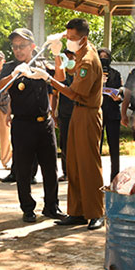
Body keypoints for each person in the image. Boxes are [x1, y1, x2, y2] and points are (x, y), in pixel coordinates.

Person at [43, 18, 105, 230]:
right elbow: (71, 70)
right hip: (78, 115)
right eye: (67, 37)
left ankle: (97, 212)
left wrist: (49, 79)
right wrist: (57, 50)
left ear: (83, 38)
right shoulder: (82, 51)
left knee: (88, 164)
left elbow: (75, 93)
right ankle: (77, 211)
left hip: (87, 112)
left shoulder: (88, 60)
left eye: (71, 38)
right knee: (74, 164)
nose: (68, 41)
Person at [0, 28, 62, 222]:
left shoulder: (42, 63)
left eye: (22, 46)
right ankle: (27, 208)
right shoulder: (10, 67)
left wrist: (57, 55)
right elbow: (1, 86)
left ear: (33, 46)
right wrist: (14, 74)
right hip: (22, 125)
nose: (18, 50)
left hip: (44, 124)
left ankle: (52, 206)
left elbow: (59, 79)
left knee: (50, 168)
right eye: (15, 47)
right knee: (23, 170)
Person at [99, 48, 122, 182]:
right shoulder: (93, 74)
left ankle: (115, 177)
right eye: (100, 56)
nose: (103, 59)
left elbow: (121, 93)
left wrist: (118, 97)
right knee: (97, 147)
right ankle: (97, 177)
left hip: (113, 113)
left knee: (114, 147)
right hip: (98, 113)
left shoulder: (116, 74)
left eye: (106, 56)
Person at [55, 50, 76, 181]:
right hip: (64, 114)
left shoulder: (81, 74)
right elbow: (55, 95)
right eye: (66, 58)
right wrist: (53, 113)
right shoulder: (61, 76)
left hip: (78, 114)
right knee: (65, 144)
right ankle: (66, 172)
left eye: (71, 57)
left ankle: (77, 172)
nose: (69, 60)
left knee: (77, 144)